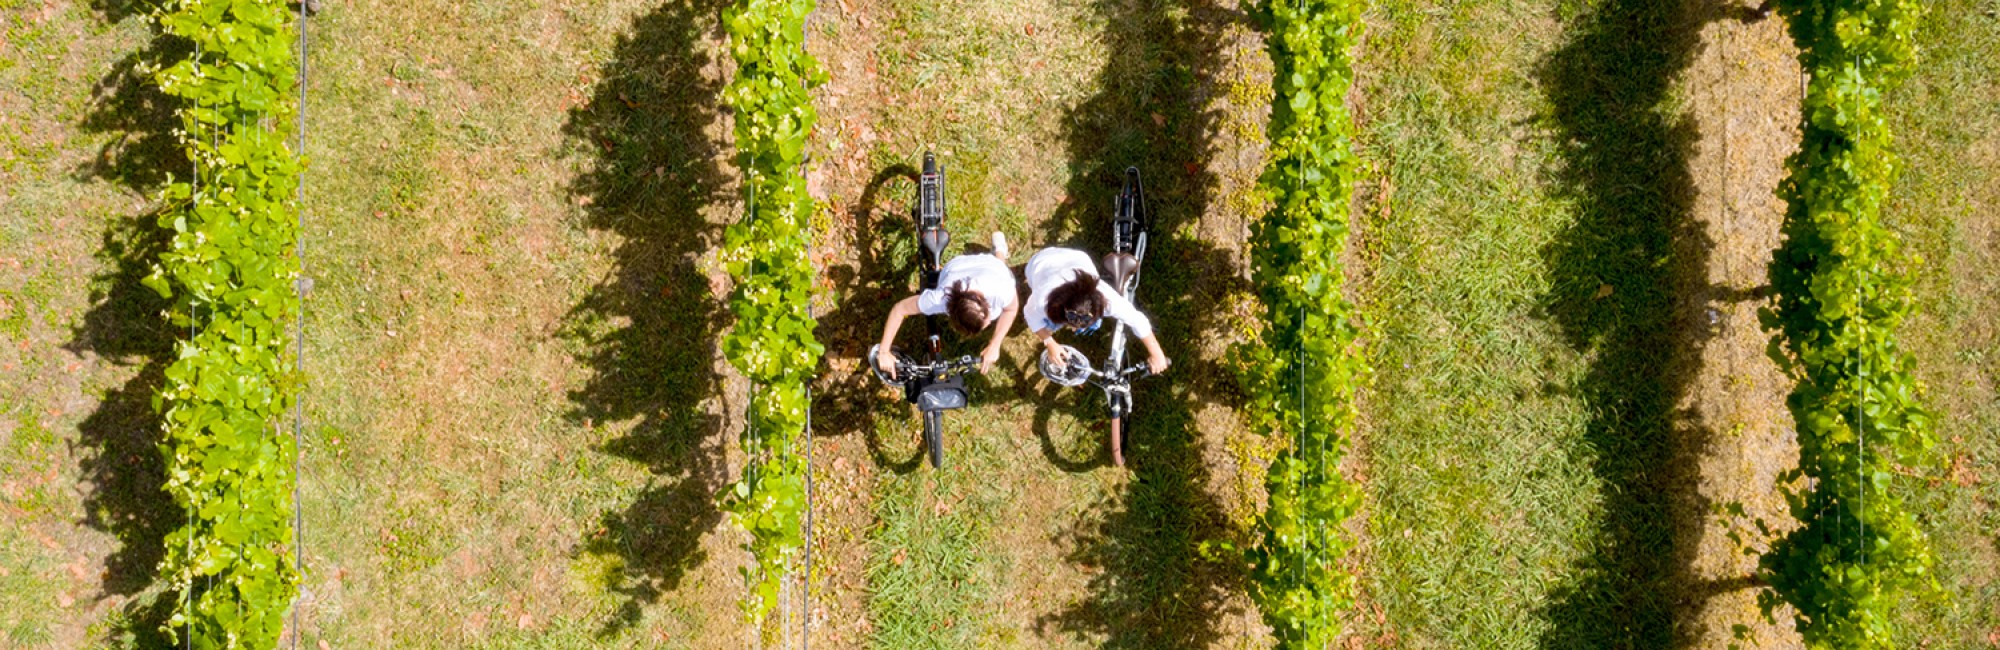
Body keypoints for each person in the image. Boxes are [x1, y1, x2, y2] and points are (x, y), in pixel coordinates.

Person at [875, 233, 1019, 378]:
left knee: (1001, 266)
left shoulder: (1002, 288)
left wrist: (995, 344)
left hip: (992, 267)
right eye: (987, 320)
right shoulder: (939, 299)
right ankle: (999, 250)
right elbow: (899, 309)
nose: (989, 323)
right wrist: (883, 351)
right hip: (961, 267)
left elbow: (1011, 309)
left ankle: (999, 250)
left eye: (986, 319)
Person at [1023, 247, 1169, 374]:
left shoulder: (1107, 298)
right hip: (1039, 263)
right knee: (1049, 326)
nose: (1074, 328)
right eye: (1072, 324)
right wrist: (1050, 342)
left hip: (1075, 258)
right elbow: (1030, 316)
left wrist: (1156, 352)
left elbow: (1137, 320)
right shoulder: (1043, 299)